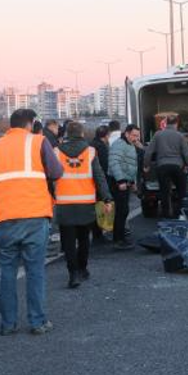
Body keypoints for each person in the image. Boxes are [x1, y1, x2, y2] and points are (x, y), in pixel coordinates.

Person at [0, 108, 63, 336]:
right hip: (35, 216)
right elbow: (57, 172)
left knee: (7, 271)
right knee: (34, 270)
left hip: (5, 219)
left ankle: (8, 324)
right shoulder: (38, 142)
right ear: (31, 123)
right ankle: (37, 321)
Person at [54, 122, 112, 288]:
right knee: (84, 239)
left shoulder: (56, 151)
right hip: (85, 203)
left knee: (69, 242)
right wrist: (107, 198)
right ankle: (83, 268)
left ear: (66, 133)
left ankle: (72, 274)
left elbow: (50, 178)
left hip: (64, 203)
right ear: (82, 134)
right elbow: (99, 177)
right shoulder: (90, 151)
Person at [144, 115, 188, 218]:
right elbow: (186, 153)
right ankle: (178, 214)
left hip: (162, 166)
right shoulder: (180, 136)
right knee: (181, 191)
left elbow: (149, 151)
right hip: (177, 166)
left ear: (166, 123)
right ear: (176, 124)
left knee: (164, 192)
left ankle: (166, 215)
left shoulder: (158, 135)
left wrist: (146, 165)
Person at [108, 125, 140, 249]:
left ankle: (120, 237)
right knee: (122, 210)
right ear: (126, 134)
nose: (136, 138)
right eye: (134, 135)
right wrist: (121, 180)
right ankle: (118, 239)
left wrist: (132, 182)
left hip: (124, 181)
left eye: (137, 135)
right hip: (117, 181)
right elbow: (114, 162)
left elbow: (129, 165)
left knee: (123, 210)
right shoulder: (119, 144)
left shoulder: (129, 144)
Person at [89, 125, 111, 244]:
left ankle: (96, 232)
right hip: (99, 180)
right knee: (100, 206)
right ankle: (98, 234)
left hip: (89, 181)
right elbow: (104, 165)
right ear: (106, 135)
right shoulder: (102, 147)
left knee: (95, 206)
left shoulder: (91, 144)